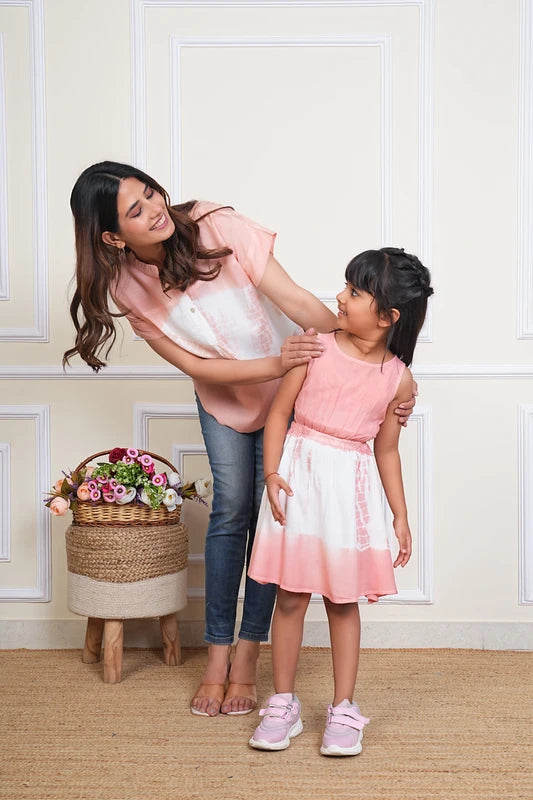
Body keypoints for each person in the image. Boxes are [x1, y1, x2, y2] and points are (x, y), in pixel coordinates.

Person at [65, 161, 416, 718]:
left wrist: (370, 363)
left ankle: (249, 656)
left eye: (151, 193)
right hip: (226, 395)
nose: (154, 209)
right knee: (231, 510)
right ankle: (217, 656)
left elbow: (299, 303)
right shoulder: (125, 285)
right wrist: (273, 362)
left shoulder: (216, 226)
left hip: (295, 385)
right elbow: (192, 363)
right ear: (112, 236)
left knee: (277, 519)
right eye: (135, 211)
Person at [247, 247, 433, 755]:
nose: (340, 297)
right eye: (346, 287)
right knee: (288, 597)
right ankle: (283, 705)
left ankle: (343, 708)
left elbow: (387, 450)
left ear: (388, 316)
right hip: (299, 483)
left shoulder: (398, 379)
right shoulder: (316, 348)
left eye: (354, 291)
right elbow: (280, 413)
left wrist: (400, 514)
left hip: (349, 495)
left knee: (342, 601)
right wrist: (270, 473)